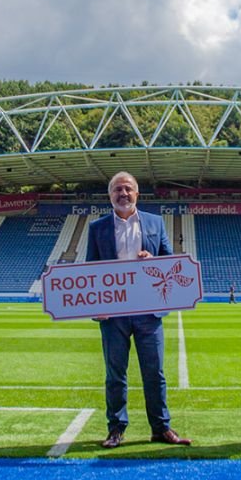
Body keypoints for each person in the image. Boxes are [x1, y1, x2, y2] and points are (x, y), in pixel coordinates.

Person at [85, 171, 191, 448]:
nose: (123, 194)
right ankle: (116, 428)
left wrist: (153, 259)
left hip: (148, 311)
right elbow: (90, 269)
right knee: (115, 373)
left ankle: (161, 427)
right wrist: (97, 307)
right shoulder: (97, 228)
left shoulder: (155, 223)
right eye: (117, 190)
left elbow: (169, 260)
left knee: (154, 372)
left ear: (137, 193)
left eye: (128, 189)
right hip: (113, 313)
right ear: (110, 196)